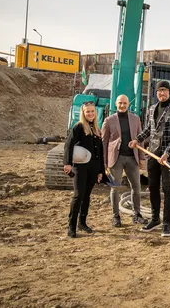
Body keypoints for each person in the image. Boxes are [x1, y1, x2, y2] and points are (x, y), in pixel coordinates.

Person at [129, 80, 170, 237]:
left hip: (168, 156)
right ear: (156, 92)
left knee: (167, 188)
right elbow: (149, 129)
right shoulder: (152, 108)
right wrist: (138, 140)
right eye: (160, 90)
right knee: (153, 187)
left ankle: (166, 223)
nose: (162, 93)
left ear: (169, 92)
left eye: (165, 90)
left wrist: (167, 153)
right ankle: (155, 219)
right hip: (153, 154)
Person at [101, 94, 146, 228]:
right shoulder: (109, 120)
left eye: (125, 103)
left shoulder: (135, 119)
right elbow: (104, 142)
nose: (122, 105)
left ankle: (136, 214)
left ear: (128, 105)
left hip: (132, 158)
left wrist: (142, 157)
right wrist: (104, 161)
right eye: (120, 103)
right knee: (115, 188)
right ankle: (116, 216)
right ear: (116, 104)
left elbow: (140, 139)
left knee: (136, 188)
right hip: (116, 159)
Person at [63, 102, 104, 238]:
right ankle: (71, 226)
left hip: (93, 168)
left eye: (92, 111)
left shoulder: (97, 130)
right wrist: (67, 164)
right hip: (80, 167)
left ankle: (82, 223)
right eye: (88, 112)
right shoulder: (79, 127)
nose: (90, 114)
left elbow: (100, 153)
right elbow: (69, 145)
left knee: (86, 196)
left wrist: (101, 171)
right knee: (78, 195)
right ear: (83, 113)